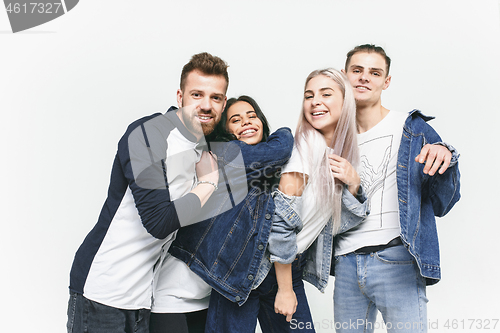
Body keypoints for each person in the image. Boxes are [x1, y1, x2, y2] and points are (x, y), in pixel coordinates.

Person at [66, 52, 229, 333]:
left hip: (144, 298)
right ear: (180, 97)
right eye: (197, 94)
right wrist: (208, 183)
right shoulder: (147, 135)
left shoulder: (201, 148)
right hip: (102, 292)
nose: (206, 105)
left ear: (224, 103)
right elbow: (158, 222)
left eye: (215, 97)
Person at [331, 44, 461, 333]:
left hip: (397, 259)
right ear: (344, 76)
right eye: (357, 70)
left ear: (385, 82)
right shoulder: (331, 137)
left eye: (374, 72)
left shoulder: (412, 128)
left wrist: (447, 156)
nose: (364, 78)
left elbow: (444, 203)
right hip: (346, 262)